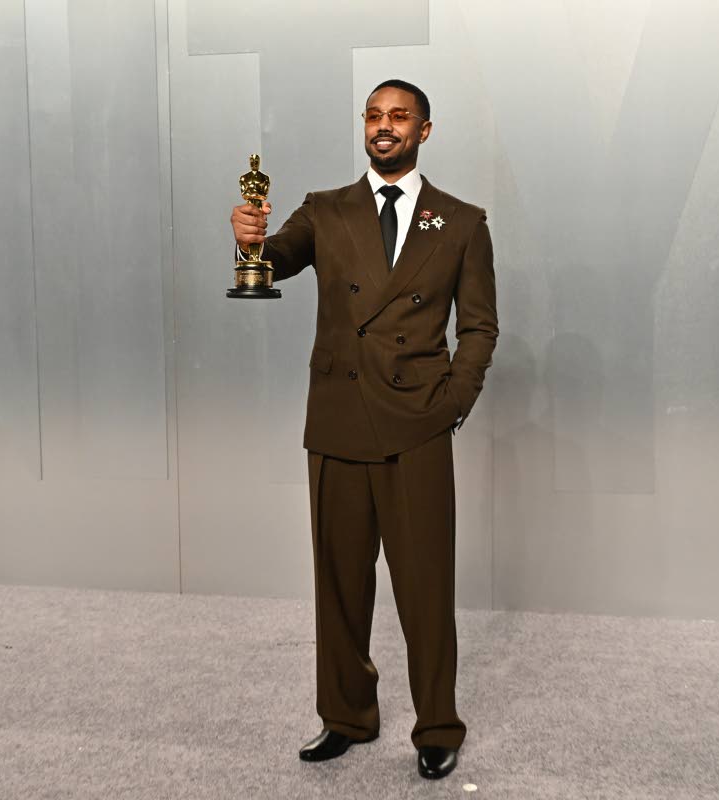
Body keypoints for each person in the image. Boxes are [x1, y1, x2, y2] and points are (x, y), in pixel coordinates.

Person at [229, 79, 498, 781]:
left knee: (425, 586)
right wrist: (250, 243)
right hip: (340, 419)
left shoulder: (462, 222)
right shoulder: (326, 210)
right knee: (340, 585)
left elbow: (479, 325)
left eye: (399, 116)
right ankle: (346, 716)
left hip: (417, 424)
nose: (384, 127)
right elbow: (278, 258)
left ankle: (437, 724)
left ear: (425, 130)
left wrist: (453, 400)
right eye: (374, 116)